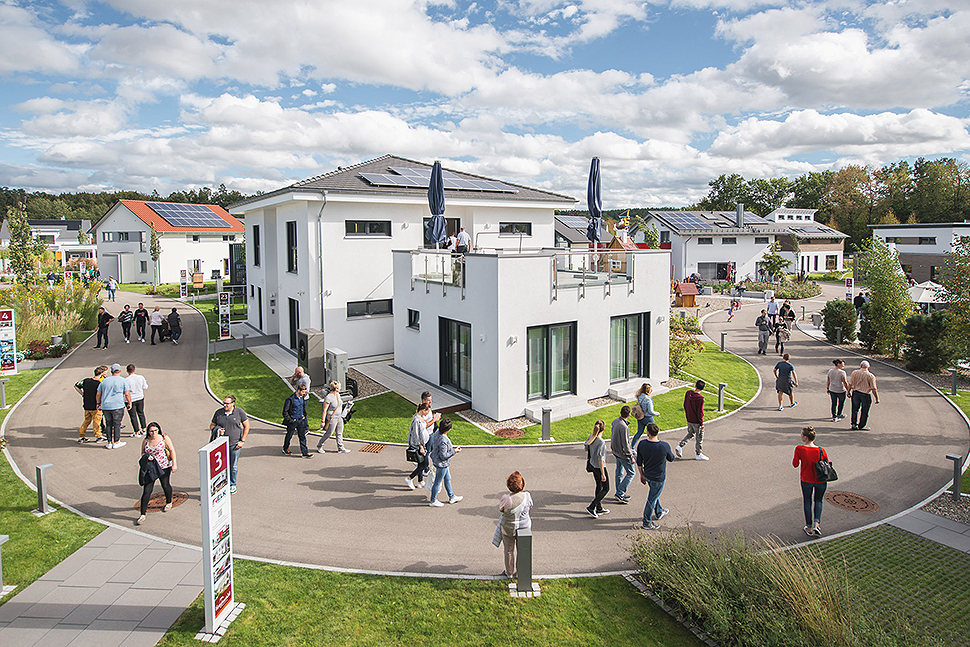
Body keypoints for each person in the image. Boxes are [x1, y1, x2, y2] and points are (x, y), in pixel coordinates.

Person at [135, 421, 177, 526]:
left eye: (155, 430)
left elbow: (171, 450)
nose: (153, 433)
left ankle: (168, 502)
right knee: (147, 490)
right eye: (151, 431)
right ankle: (142, 514)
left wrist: (174, 464)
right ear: (148, 432)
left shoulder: (164, 438)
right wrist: (146, 457)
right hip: (151, 468)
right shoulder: (145, 441)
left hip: (164, 466)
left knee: (165, 485)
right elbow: (142, 453)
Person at [637, 422, 674, 530]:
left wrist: (641, 475)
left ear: (647, 432)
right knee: (652, 498)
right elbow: (671, 458)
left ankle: (659, 511)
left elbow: (639, 462)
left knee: (654, 493)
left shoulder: (642, 444)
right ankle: (646, 522)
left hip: (647, 475)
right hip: (658, 477)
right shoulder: (664, 446)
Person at [210, 394, 249, 494]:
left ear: (233, 403)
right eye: (224, 403)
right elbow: (212, 425)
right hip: (221, 445)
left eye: (227, 403)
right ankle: (222, 483)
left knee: (233, 466)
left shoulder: (239, 412)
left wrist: (242, 441)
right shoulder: (218, 413)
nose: (225, 405)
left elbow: (247, 426)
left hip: (234, 444)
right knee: (221, 466)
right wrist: (218, 430)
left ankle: (232, 484)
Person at [793, 426, 828, 536]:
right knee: (818, 501)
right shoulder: (821, 450)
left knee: (807, 501)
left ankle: (808, 526)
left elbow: (795, 464)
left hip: (806, 479)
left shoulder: (800, 449)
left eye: (801, 435)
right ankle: (816, 524)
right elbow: (826, 461)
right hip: (820, 480)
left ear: (805, 438)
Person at [498, 471, 533, 577]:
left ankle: (509, 573)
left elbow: (501, 509)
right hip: (524, 526)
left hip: (509, 527)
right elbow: (530, 506)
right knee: (522, 550)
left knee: (509, 550)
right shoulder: (527, 496)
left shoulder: (506, 498)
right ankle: (520, 573)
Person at [428, 417, 462, 506]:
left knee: (447, 479)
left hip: (439, 461)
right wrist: (455, 451)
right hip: (441, 464)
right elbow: (443, 456)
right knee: (437, 482)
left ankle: (452, 496)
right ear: (447, 430)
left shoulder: (437, 432)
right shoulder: (443, 440)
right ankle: (433, 500)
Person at [96, 363, 131, 450]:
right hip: (117, 405)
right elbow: (127, 393)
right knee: (117, 424)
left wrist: (98, 403)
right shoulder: (123, 380)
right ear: (120, 371)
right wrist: (129, 402)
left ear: (111, 371)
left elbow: (98, 393)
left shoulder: (104, 380)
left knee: (108, 424)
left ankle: (109, 442)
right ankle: (116, 441)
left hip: (106, 406)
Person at [675, 380, 709, 461]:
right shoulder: (700, 399)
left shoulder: (688, 393)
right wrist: (701, 423)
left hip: (689, 419)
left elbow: (685, 405)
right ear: (703, 388)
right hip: (696, 422)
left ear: (695, 386)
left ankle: (680, 446)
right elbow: (699, 412)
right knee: (699, 438)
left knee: (690, 434)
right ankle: (698, 454)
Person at [74, 365, 107, 443]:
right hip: (95, 406)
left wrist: (82, 394)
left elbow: (76, 386)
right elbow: (99, 394)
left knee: (86, 421)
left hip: (86, 405)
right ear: (101, 374)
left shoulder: (86, 381)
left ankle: (81, 436)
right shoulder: (98, 384)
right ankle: (98, 436)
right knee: (97, 422)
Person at [584, 420, 610, 518]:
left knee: (598, 485)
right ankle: (592, 506)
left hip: (592, 465)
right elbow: (601, 459)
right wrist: (603, 474)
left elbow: (586, 447)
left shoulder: (592, 437)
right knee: (606, 488)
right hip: (599, 467)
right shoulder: (601, 442)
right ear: (603, 429)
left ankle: (599, 508)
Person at [610, 406, 635, 505]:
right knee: (631, 473)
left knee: (619, 471)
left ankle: (619, 492)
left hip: (615, 451)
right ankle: (620, 493)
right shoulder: (624, 427)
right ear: (629, 415)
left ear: (620, 412)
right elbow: (626, 443)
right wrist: (631, 457)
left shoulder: (615, 421)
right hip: (622, 454)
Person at [317, 381, 351, 453]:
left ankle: (340, 448)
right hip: (332, 418)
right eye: (339, 387)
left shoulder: (337, 395)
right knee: (329, 433)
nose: (340, 388)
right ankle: (320, 445)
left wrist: (346, 410)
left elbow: (339, 404)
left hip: (339, 417)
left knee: (339, 433)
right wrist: (323, 421)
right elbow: (324, 410)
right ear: (336, 389)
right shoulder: (328, 398)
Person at [406, 402, 433, 490]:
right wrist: (420, 446)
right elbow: (416, 435)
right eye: (427, 411)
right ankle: (409, 478)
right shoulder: (416, 420)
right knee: (424, 463)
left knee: (421, 463)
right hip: (418, 446)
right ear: (423, 410)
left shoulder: (421, 418)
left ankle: (420, 481)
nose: (428, 413)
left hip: (422, 444)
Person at [847, 360, 879, 430]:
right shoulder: (871, 376)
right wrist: (877, 398)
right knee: (865, 411)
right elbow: (873, 388)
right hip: (865, 394)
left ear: (861, 365)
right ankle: (861, 425)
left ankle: (853, 424)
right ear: (868, 367)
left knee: (855, 409)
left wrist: (848, 391)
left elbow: (850, 383)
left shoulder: (854, 373)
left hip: (856, 393)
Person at [282, 383, 312, 458]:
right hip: (293, 421)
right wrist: (290, 420)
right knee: (289, 435)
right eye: (303, 391)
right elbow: (285, 412)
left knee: (302, 437)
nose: (304, 393)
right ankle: (285, 448)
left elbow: (302, 408)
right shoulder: (290, 399)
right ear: (298, 390)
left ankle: (305, 453)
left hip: (301, 420)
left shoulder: (302, 398)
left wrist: (304, 415)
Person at [631, 383, 659, 447]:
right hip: (648, 417)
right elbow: (650, 411)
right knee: (653, 432)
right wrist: (657, 413)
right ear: (648, 390)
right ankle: (655, 446)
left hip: (640, 417)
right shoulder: (648, 399)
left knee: (639, 432)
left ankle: (632, 447)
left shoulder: (639, 396)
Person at [125, 364, 149, 437]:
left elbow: (125, 391)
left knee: (133, 415)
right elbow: (145, 387)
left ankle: (136, 431)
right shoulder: (140, 377)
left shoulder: (126, 380)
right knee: (141, 413)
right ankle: (144, 429)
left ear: (127, 371)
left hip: (130, 399)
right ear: (134, 369)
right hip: (140, 397)